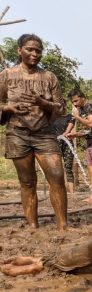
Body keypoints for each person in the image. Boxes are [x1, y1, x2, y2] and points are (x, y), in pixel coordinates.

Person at [0, 34, 67, 230]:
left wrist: (43, 103)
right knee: (27, 181)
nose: (35, 54)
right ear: (19, 50)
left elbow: (61, 109)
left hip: (44, 132)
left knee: (57, 176)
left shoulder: (48, 77)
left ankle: (63, 226)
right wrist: (8, 108)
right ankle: (32, 226)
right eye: (30, 49)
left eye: (38, 50)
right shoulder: (6, 75)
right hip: (17, 133)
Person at [52, 111, 76, 194]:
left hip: (67, 143)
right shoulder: (52, 116)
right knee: (55, 168)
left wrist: (65, 134)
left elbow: (68, 130)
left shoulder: (70, 117)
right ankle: (57, 191)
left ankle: (72, 193)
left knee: (68, 167)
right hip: (55, 143)